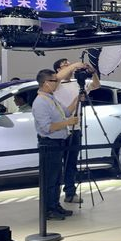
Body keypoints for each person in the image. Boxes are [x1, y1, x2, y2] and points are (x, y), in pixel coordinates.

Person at [52, 58, 101, 205]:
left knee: (71, 163)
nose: (69, 66)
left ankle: (70, 192)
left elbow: (96, 85)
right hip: (59, 128)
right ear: (58, 69)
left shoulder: (78, 83)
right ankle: (53, 198)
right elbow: (57, 78)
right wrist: (74, 65)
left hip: (76, 128)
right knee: (56, 165)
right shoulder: (55, 84)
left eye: (69, 63)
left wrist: (93, 72)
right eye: (65, 64)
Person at [31, 69, 79, 220]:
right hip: (49, 144)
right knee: (50, 179)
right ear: (46, 83)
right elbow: (47, 127)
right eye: (54, 80)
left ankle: (55, 205)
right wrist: (67, 123)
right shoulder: (40, 102)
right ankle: (48, 209)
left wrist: (77, 99)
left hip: (59, 142)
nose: (57, 83)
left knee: (57, 177)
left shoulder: (51, 99)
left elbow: (66, 112)